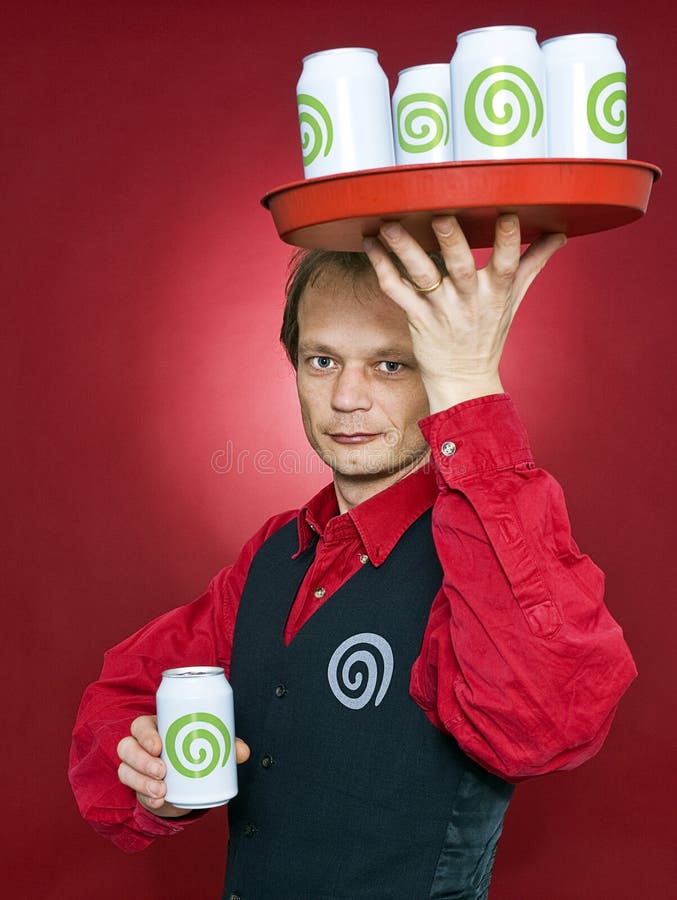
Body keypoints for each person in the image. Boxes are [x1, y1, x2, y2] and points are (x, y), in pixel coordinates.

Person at [69, 215, 637, 899]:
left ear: (437, 373)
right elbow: (126, 696)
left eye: (390, 364)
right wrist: (152, 778)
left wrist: (471, 392)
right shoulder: (275, 553)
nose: (345, 397)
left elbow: (545, 725)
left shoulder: (480, 560)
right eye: (323, 360)